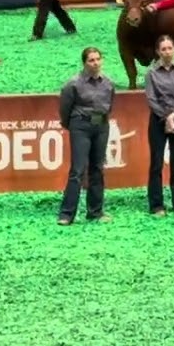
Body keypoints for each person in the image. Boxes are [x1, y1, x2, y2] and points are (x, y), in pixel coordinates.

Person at [56, 46, 116, 226]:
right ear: (84, 63)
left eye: (98, 59)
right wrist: (74, 124)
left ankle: (95, 212)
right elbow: (64, 110)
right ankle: (66, 214)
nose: (95, 63)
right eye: (91, 60)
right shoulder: (73, 84)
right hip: (80, 125)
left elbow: (110, 105)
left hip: (101, 126)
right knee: (78, 170)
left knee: (97, 168)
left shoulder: (108, 83)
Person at [145, 35, 174, 216]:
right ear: (158, 52)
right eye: (163, 49)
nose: (167, 52)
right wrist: (166, 118)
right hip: (157, 120)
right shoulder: (151, 73)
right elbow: (151, 99)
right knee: (156, 163)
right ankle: (156, 204)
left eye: (169, 48)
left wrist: (173, 116)